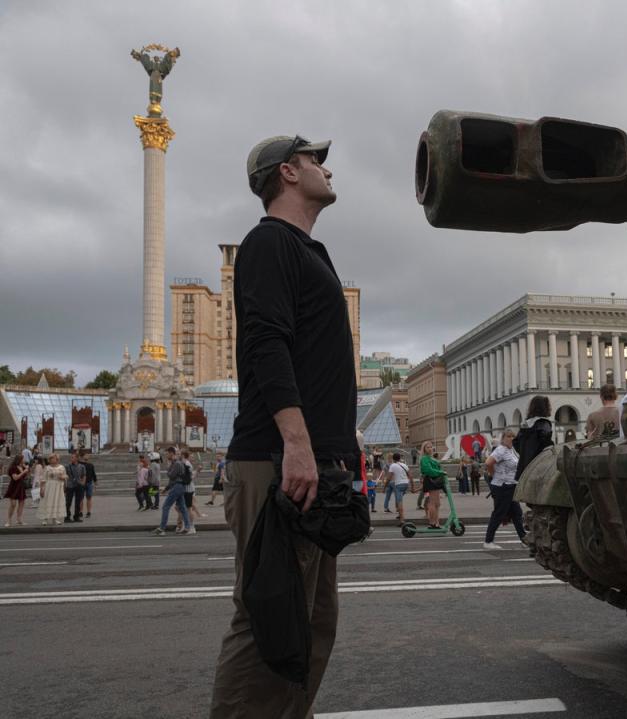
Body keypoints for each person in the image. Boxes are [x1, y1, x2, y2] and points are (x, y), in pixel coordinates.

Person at [210, 132, 356, 719]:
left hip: (308, 463)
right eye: (314, 158)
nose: (325, 166)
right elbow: (265, 345)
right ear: (288, 173)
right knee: (270, 622)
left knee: (311, 624)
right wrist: (297, 443)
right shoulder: (269, 242)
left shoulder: (304, 249)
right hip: (278, 463)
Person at [482, 429, 526, 550]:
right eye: (508, 436)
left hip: (511, 486)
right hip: (503, 487)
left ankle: (524, 540)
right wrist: (493, 475)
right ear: (503, 439)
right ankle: (488, 541)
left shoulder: (511, 450)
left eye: (513, 436)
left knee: (517, 513)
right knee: (499, 514)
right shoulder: (501, 450)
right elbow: (488, 463)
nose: (511, 438)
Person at [152, 446, 193, 536]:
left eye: (167, 453)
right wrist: (166, 489)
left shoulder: (177, 464)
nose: (166, 455)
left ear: (171, 453)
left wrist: (168, 467)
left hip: (177, 487)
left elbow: (171, 476)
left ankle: (162, 528)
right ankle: (187, 527)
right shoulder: (176, 463)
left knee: (165, 506)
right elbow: (172, 480)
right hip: (178, 486)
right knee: (182, 508)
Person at [419, 441, 446, 529]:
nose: (430, 449)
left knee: (437, 503)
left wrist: (440, 472)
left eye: (431, 447)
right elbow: (428, 470)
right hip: (431, 480)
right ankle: (432, 522)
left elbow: (436, 468)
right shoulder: (424, 458)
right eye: (428, 447)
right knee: (433, 502)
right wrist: (441, 472)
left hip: (436, 480)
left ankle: (436, 522)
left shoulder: (431, 458)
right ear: (424, 449)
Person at [38, 454, 66, 526]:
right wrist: (41, 489)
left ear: (57, 459)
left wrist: (62, 478)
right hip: (49, 487)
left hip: (58, 487)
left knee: (56, 501)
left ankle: (55, 518)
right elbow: (43, 479)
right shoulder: (47, 468)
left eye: (52, 458)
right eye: (50, 459)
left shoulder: (61, 467)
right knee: (47, 501)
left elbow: (65, 476)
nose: (50, 460)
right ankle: (45, 519)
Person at [383, 452, 410, 521]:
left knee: (388, 496)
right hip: (396, 482)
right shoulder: (395, 464)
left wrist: (384, 485)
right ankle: (398, 511)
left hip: (390, 482)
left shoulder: (386, 465)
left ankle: (386, 508)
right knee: (398, 498)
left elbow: (385, 475)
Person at [4, 455, 29, 526]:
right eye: (23, 459)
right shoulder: (13, 468)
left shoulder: (23, 467)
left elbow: (25, 477)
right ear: (19, 459)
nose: (24, 460)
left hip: (21, 487)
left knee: (21, 503)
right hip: (14, 487)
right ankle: (8, 520)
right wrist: (24, 472)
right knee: (13, 504)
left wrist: (26, 470)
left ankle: (19, 519)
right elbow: (15, 478)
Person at [63, 452, 86, 523]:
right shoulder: (67, 466)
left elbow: (84, 475)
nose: (71, 458)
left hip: (79, 485)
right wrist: (64, 486)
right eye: (71, 457)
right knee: (68, 502)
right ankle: (67, 517)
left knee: (78, 501)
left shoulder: (82, 466)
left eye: (73, 457)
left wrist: (83, 483)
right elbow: (64, 476)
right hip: (70, 485)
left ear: (77, 458)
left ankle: (76, 516)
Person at [80, 449, 97, 518]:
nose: (87, 456)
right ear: (83, 456)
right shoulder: (80, 464)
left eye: (88, 455)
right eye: (86, 455)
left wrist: (95, 483)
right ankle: (80, 511)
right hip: (82, 483)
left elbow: (93, 474)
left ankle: (88, 512)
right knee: (80, 498)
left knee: (89, 497)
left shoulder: (91, 465)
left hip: (89, 483)